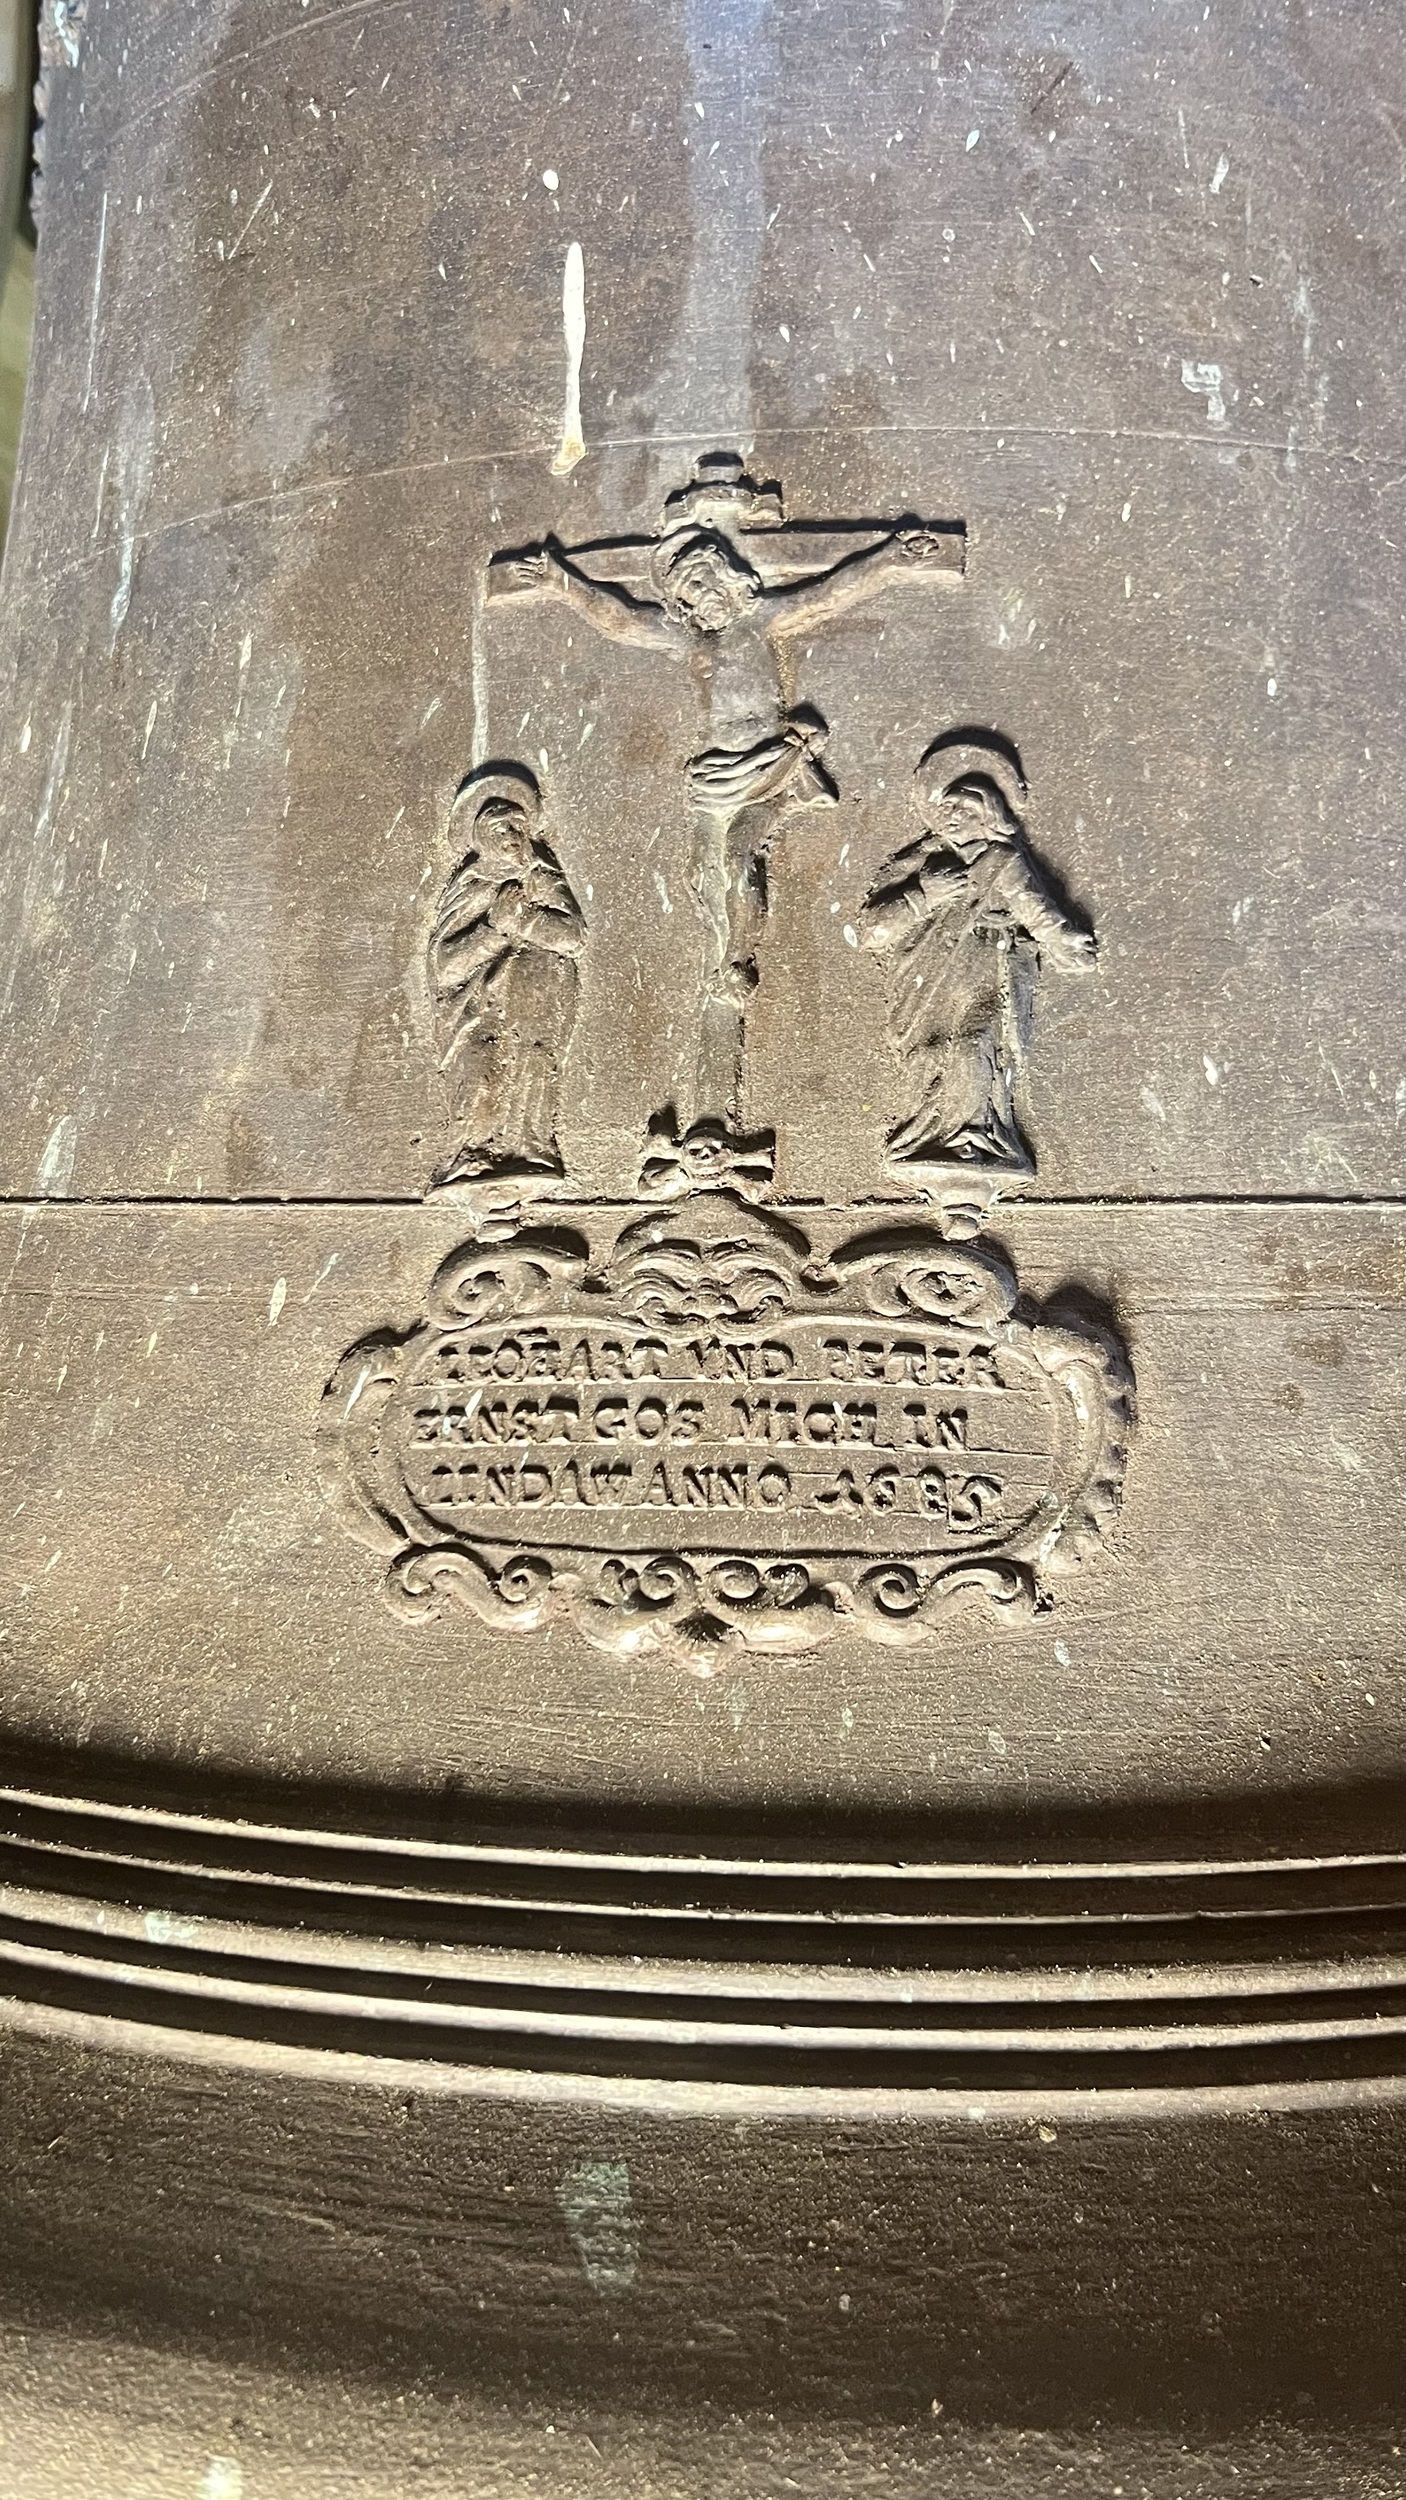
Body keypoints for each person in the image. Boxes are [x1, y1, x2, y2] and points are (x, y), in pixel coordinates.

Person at [493, 459, 958, 1147]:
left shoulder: (764, 620)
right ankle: (721, 951)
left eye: (708, 582)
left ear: (733, 578)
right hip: (713, 776)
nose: (702, 596)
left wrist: (890, 558)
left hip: (770, 768)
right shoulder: (691, 642)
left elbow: (830, 591)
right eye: (689, 591)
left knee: (739, 856)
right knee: (699, 875)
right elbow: (620, 619)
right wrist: (563, 583)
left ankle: (735, 960)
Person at [861, 739, 1095, 1218]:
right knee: (930, 1058)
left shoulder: (1001, 862)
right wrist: (923, 894)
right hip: (927, 983)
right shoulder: (920, 863)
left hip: (987, 975)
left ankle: (978, 1140)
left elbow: (1038, 912)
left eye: (964, 809)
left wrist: (1068, 945)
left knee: (975, 1047)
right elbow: (873, 933)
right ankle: (925, 1139)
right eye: (946, 807)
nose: (952, 816)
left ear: (990, 815)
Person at [428, 766, 584, 1191]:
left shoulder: (542, 876)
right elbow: (447, 966)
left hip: (540, 1005)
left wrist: (524, 921)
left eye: (518, 825)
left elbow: (572, 937)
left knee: (535, 1073)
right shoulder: (472, 884)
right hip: (481, 1011)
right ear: (480, 835)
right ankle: (473, 1153)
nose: (512, 835)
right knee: (483, 1080)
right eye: (500, 828)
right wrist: (494, 929)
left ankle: (532, 1154)